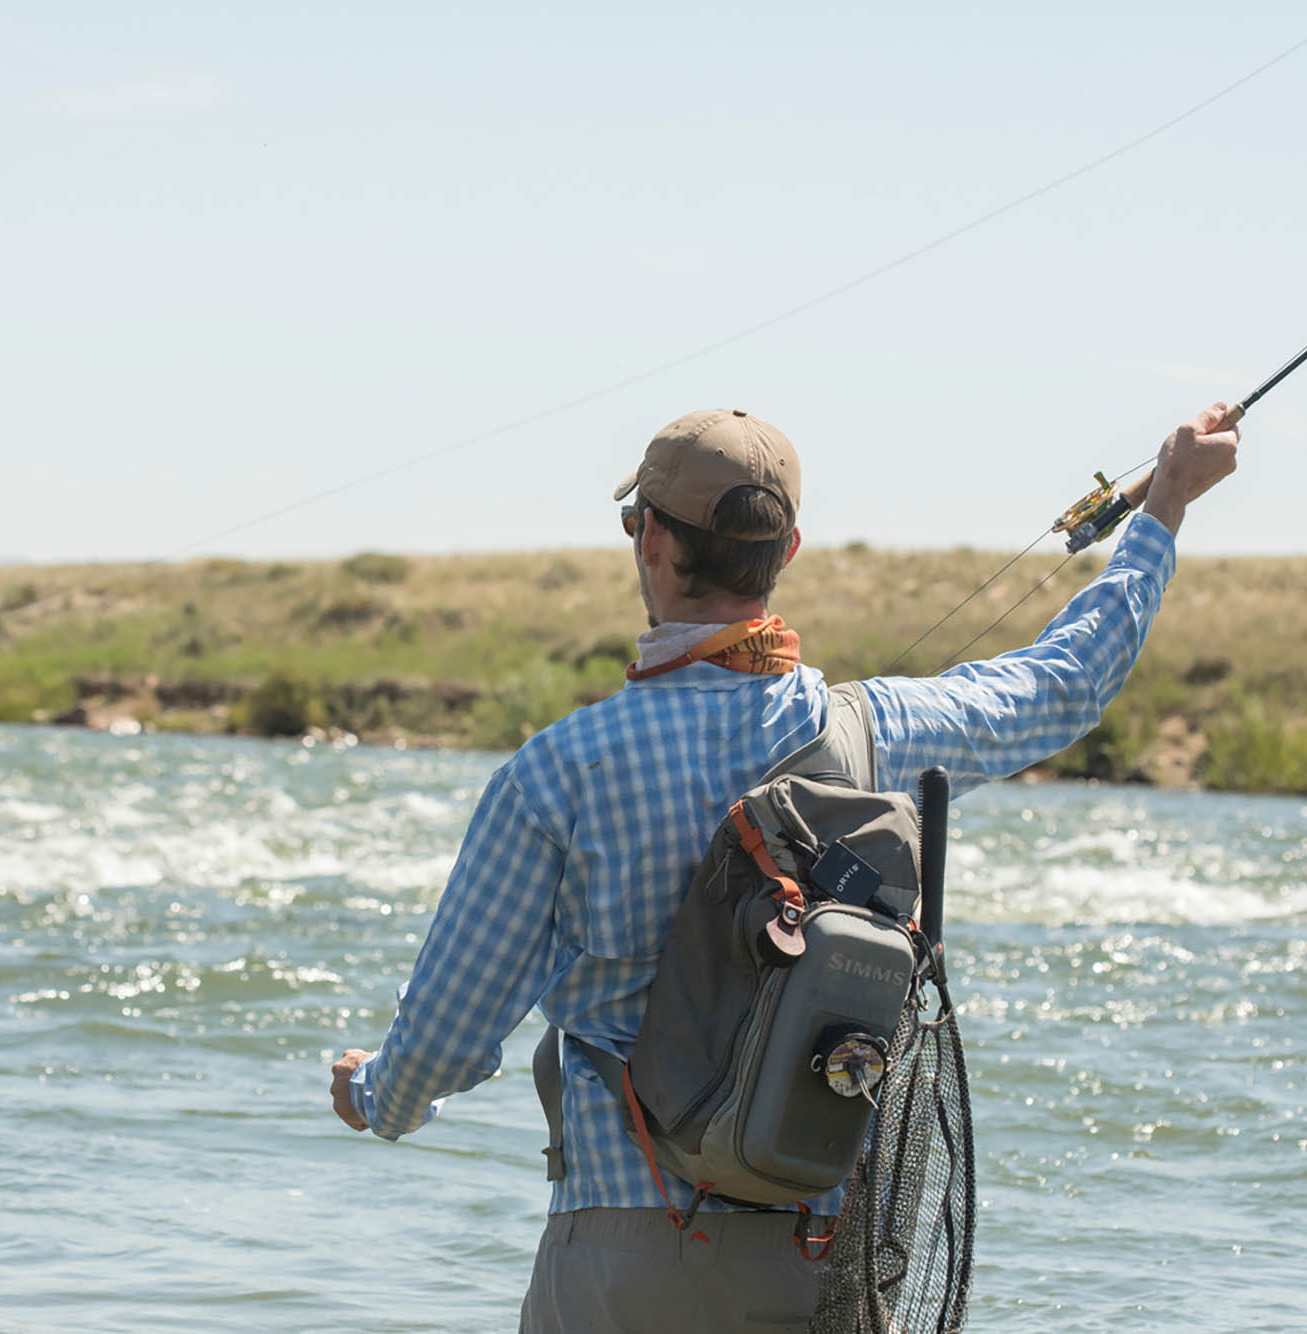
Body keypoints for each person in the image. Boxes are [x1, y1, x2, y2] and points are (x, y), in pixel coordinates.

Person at [328, 404, 1240, 1331]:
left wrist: (374, 1095)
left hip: (621, 1265)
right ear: (788, 549)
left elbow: (440, 1051)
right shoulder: (878, 734)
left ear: (649, 542)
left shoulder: (558, 773)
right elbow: (1067, 682)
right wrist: (1163, 507)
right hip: (826, 1270)